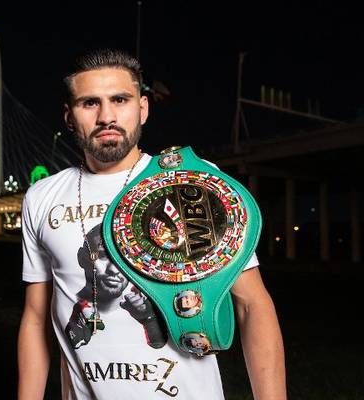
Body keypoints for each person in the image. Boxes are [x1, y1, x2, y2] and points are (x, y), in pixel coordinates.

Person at [17, 48, 286, 399]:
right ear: (69, 116)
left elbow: (252, 305)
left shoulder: (191, 183)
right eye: (90, 103)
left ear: (142, 108)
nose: (106, 116)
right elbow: (36, 318)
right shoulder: (42, 197)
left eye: (120, 100)